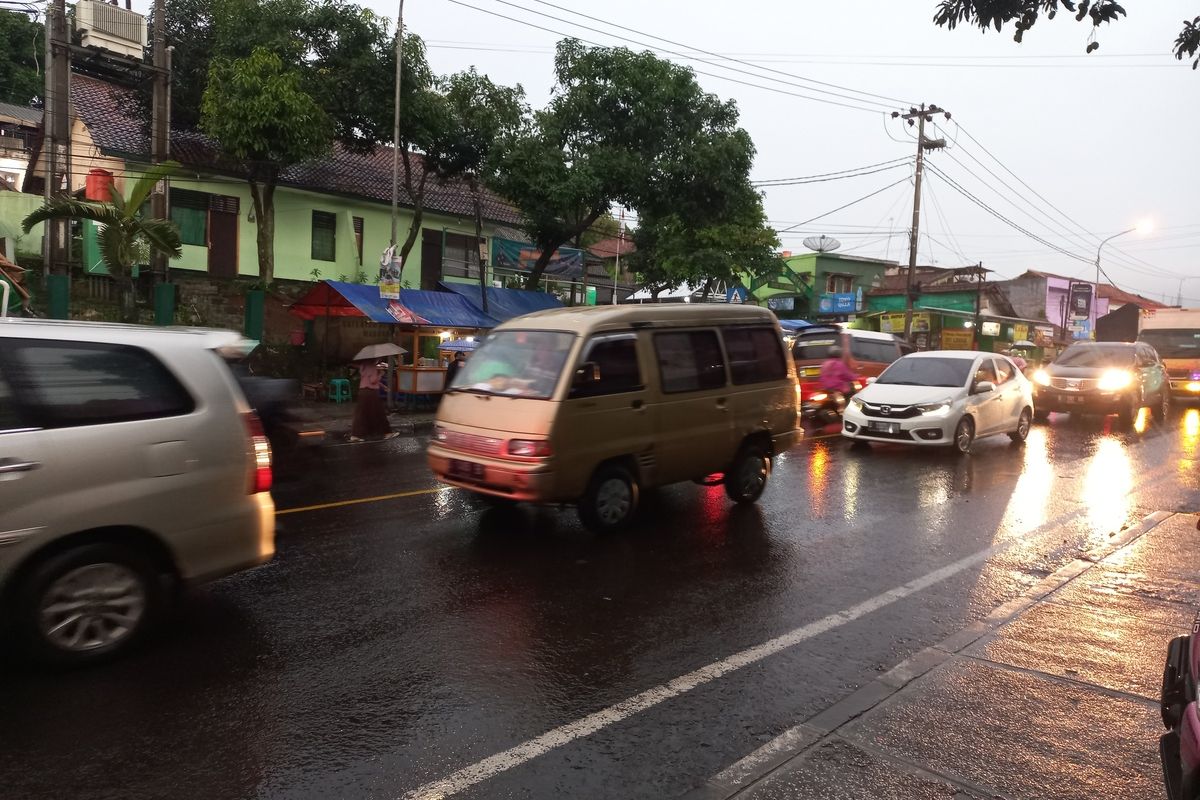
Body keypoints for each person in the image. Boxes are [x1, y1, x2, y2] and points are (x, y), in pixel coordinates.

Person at [350, 359, 396, 442]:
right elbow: (373, 380)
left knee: (361, 413)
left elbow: (367, 379)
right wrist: (381, 374)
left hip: (362, 391)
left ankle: (355, 435)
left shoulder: (364, 366)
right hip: (371, 393)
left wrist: (383, 386)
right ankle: (387, 433)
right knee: (380, 412)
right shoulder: (372, 367)